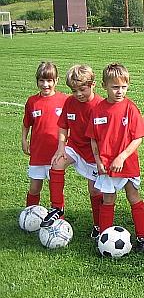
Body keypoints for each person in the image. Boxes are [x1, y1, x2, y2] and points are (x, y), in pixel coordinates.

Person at [86, 63, 144, 251]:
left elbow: (138, 138)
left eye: (123, 87)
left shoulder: (130, 108)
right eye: (115, 87)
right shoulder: (98, 110)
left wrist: (122, 157)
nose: (120, 91)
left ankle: (143, 237)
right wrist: (98, 161)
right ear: (104, 86)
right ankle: (104, 238)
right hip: (106, 165)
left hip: (127, 164)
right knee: (108, 199)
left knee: (133, 196)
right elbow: (93, 140)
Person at [45, 65, 104, 237]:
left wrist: (102, 158)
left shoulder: (100, 106)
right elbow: (63, 126)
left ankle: (98, 225)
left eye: (82, 89)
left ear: (93, 85)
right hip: (75, 147)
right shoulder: (70, 102)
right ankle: (57, 208)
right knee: (57, 163)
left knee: (95, 191)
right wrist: (61, 148)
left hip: (93, 153)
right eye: (73, 90)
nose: (78, 94)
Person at [22, 62, 67, 210]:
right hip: (38, 152)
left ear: (56, 81)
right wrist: (24, 140)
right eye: (42, 80)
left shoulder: (64, 100)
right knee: (34, 187)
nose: (45, 84)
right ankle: (30, 213)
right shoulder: (32, 101)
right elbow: (26, 123)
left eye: (49, 80)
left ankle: (58, 216)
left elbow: (70, 124)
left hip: (56, 153)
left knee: (56, 189)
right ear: (37, 81)